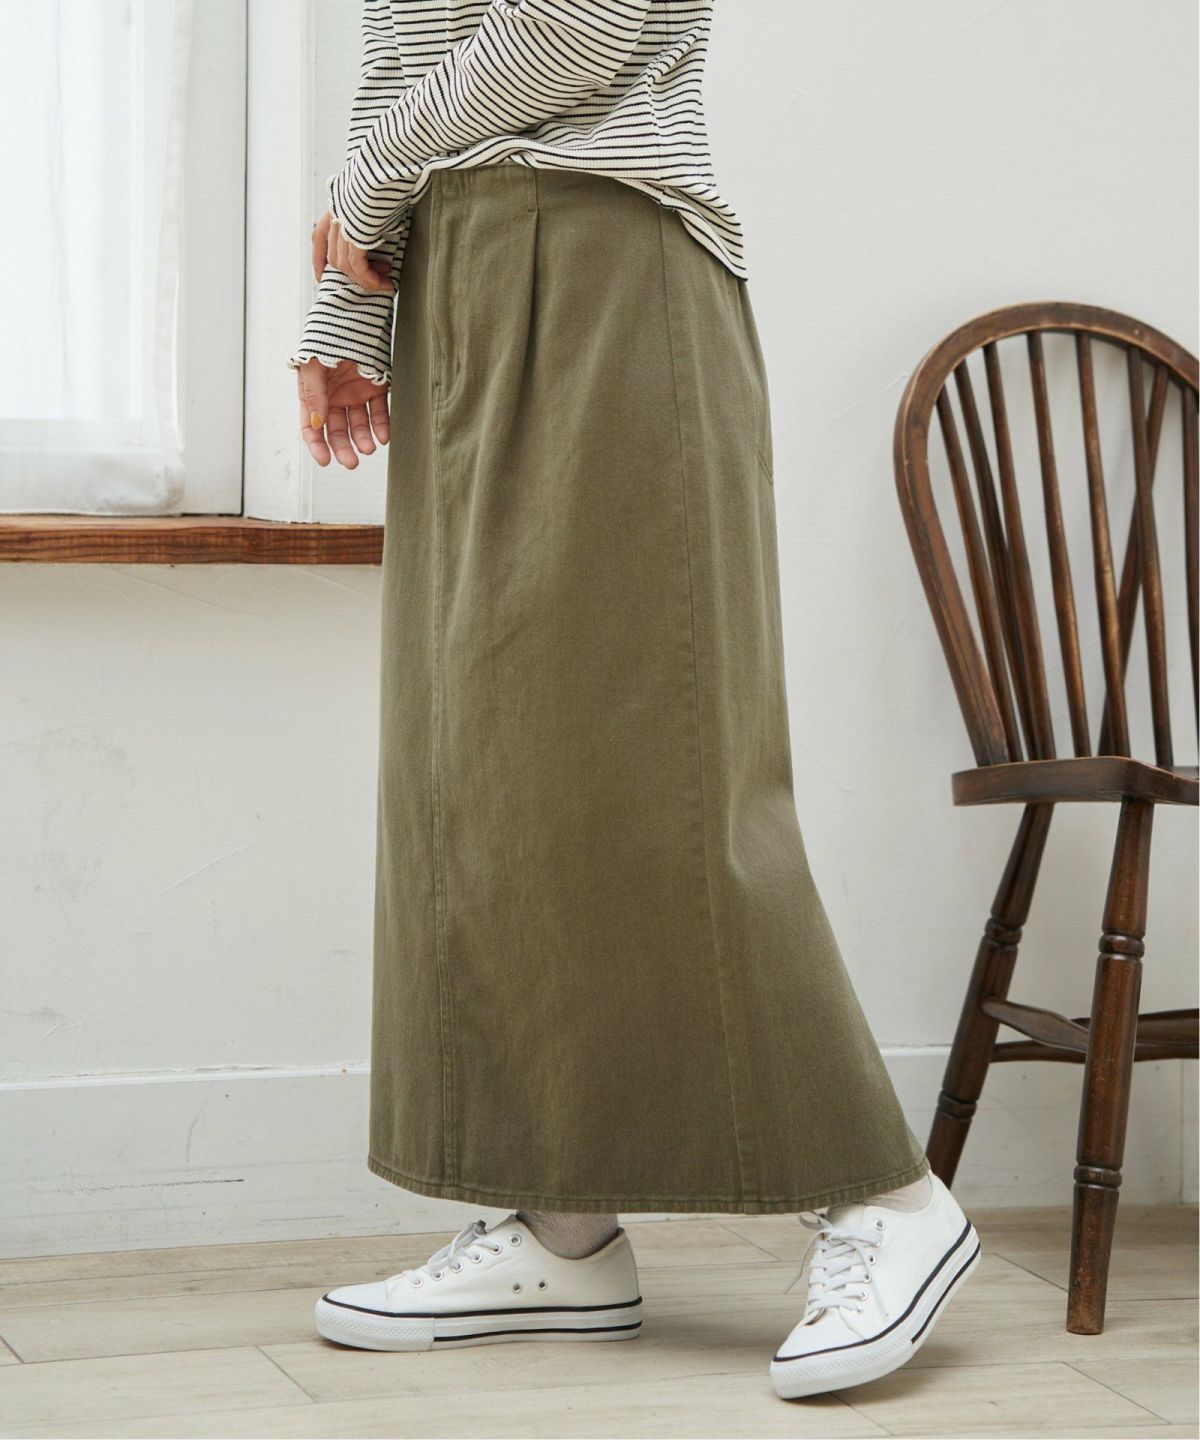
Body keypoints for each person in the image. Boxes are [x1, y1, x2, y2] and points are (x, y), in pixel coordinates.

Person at [288, 0, 978, 1400]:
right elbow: (404, 48)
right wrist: (347, 305)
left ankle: (891, 1198)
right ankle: (563, 1224)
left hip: (608, 254)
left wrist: (361, 202)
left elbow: (584, 22)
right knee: (487, 766)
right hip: (459, 272)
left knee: (653, 761)